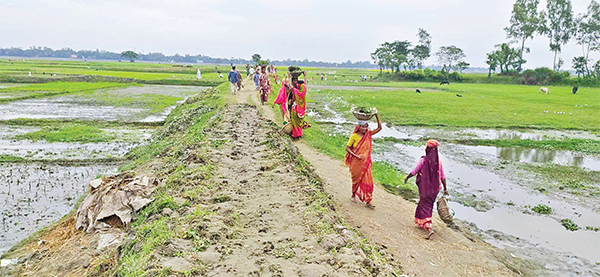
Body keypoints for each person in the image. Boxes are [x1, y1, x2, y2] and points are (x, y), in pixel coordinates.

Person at [404, 140, 448, 239]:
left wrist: (407, 177)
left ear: (427, 149)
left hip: (425, 188)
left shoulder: (423, 160)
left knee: (424, 205)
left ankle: (428, 227)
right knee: (428, 205)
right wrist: (445, 189)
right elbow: (443, 176)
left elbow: (415, 171)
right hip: (435, 189)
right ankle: (421, 222)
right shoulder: (438, 162)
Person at [345, 116, 382, 208]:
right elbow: (347, 148)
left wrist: (376, 115)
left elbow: (379, 128)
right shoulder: (354, 136)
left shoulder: (368, 135)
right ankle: (353, 195)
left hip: (366, 163)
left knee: (369, 181)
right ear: (358, 127)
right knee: (356, 180)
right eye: (363, 127)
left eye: (366, 127)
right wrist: (356, 156)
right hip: (356, 162)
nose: (365, 129)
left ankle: (368, 201)